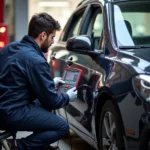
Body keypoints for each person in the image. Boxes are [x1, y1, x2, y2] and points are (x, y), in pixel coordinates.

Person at [0, 13, 77, 150]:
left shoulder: (10, 48)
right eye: (52, 37)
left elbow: (16, 80)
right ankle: (18, 146)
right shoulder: (36, 61)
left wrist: (49, 82)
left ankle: (41, 146)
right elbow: (52, 100)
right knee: (62, 127)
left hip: (4, 107)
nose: (53, 41)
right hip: (11, 112)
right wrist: (67, 97)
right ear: (43, 35)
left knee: (43, 104)